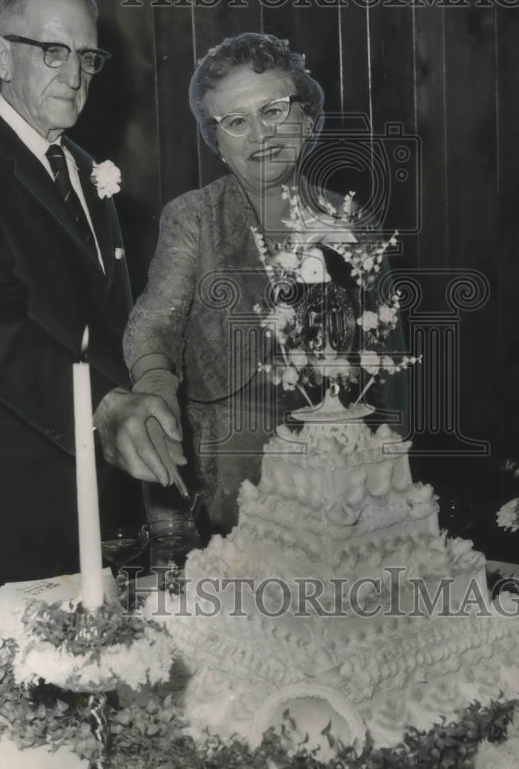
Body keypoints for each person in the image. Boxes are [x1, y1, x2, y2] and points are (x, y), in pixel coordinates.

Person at [0, 0, 182, 631]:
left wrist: (153, 385)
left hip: (106, 510)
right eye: (53, 52)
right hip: (10, 517)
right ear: (3, 57)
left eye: (87, 57)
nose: (76, 75)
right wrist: (107, 410)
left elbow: (113, 322)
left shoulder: (90, 171)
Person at [124, 33, 408, 537]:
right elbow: (152, 326)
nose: (260, 133)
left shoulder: (352, 219)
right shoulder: (194, 218)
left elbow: (389, 367)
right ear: (217, 141)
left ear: (307, 116)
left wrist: (394, 480)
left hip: (341, 489)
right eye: (235, 121)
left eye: (274, 109)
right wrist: (153, 388)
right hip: (229, 487)